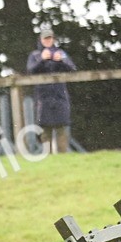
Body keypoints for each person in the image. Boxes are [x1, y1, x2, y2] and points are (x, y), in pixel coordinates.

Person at [26, 26, 77, 154]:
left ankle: (62, 156)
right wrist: (42, 60)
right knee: (45, 130)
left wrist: (60, 62)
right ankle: (46, 157)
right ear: (41, 40)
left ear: (53, 39)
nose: (48, 40)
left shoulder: (61, 54)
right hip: (43, 98)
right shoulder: (35, 55)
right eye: (45, 38)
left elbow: (72, 69)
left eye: (50, 38)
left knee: (61, 128)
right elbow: (31, 71)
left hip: (60, 96)